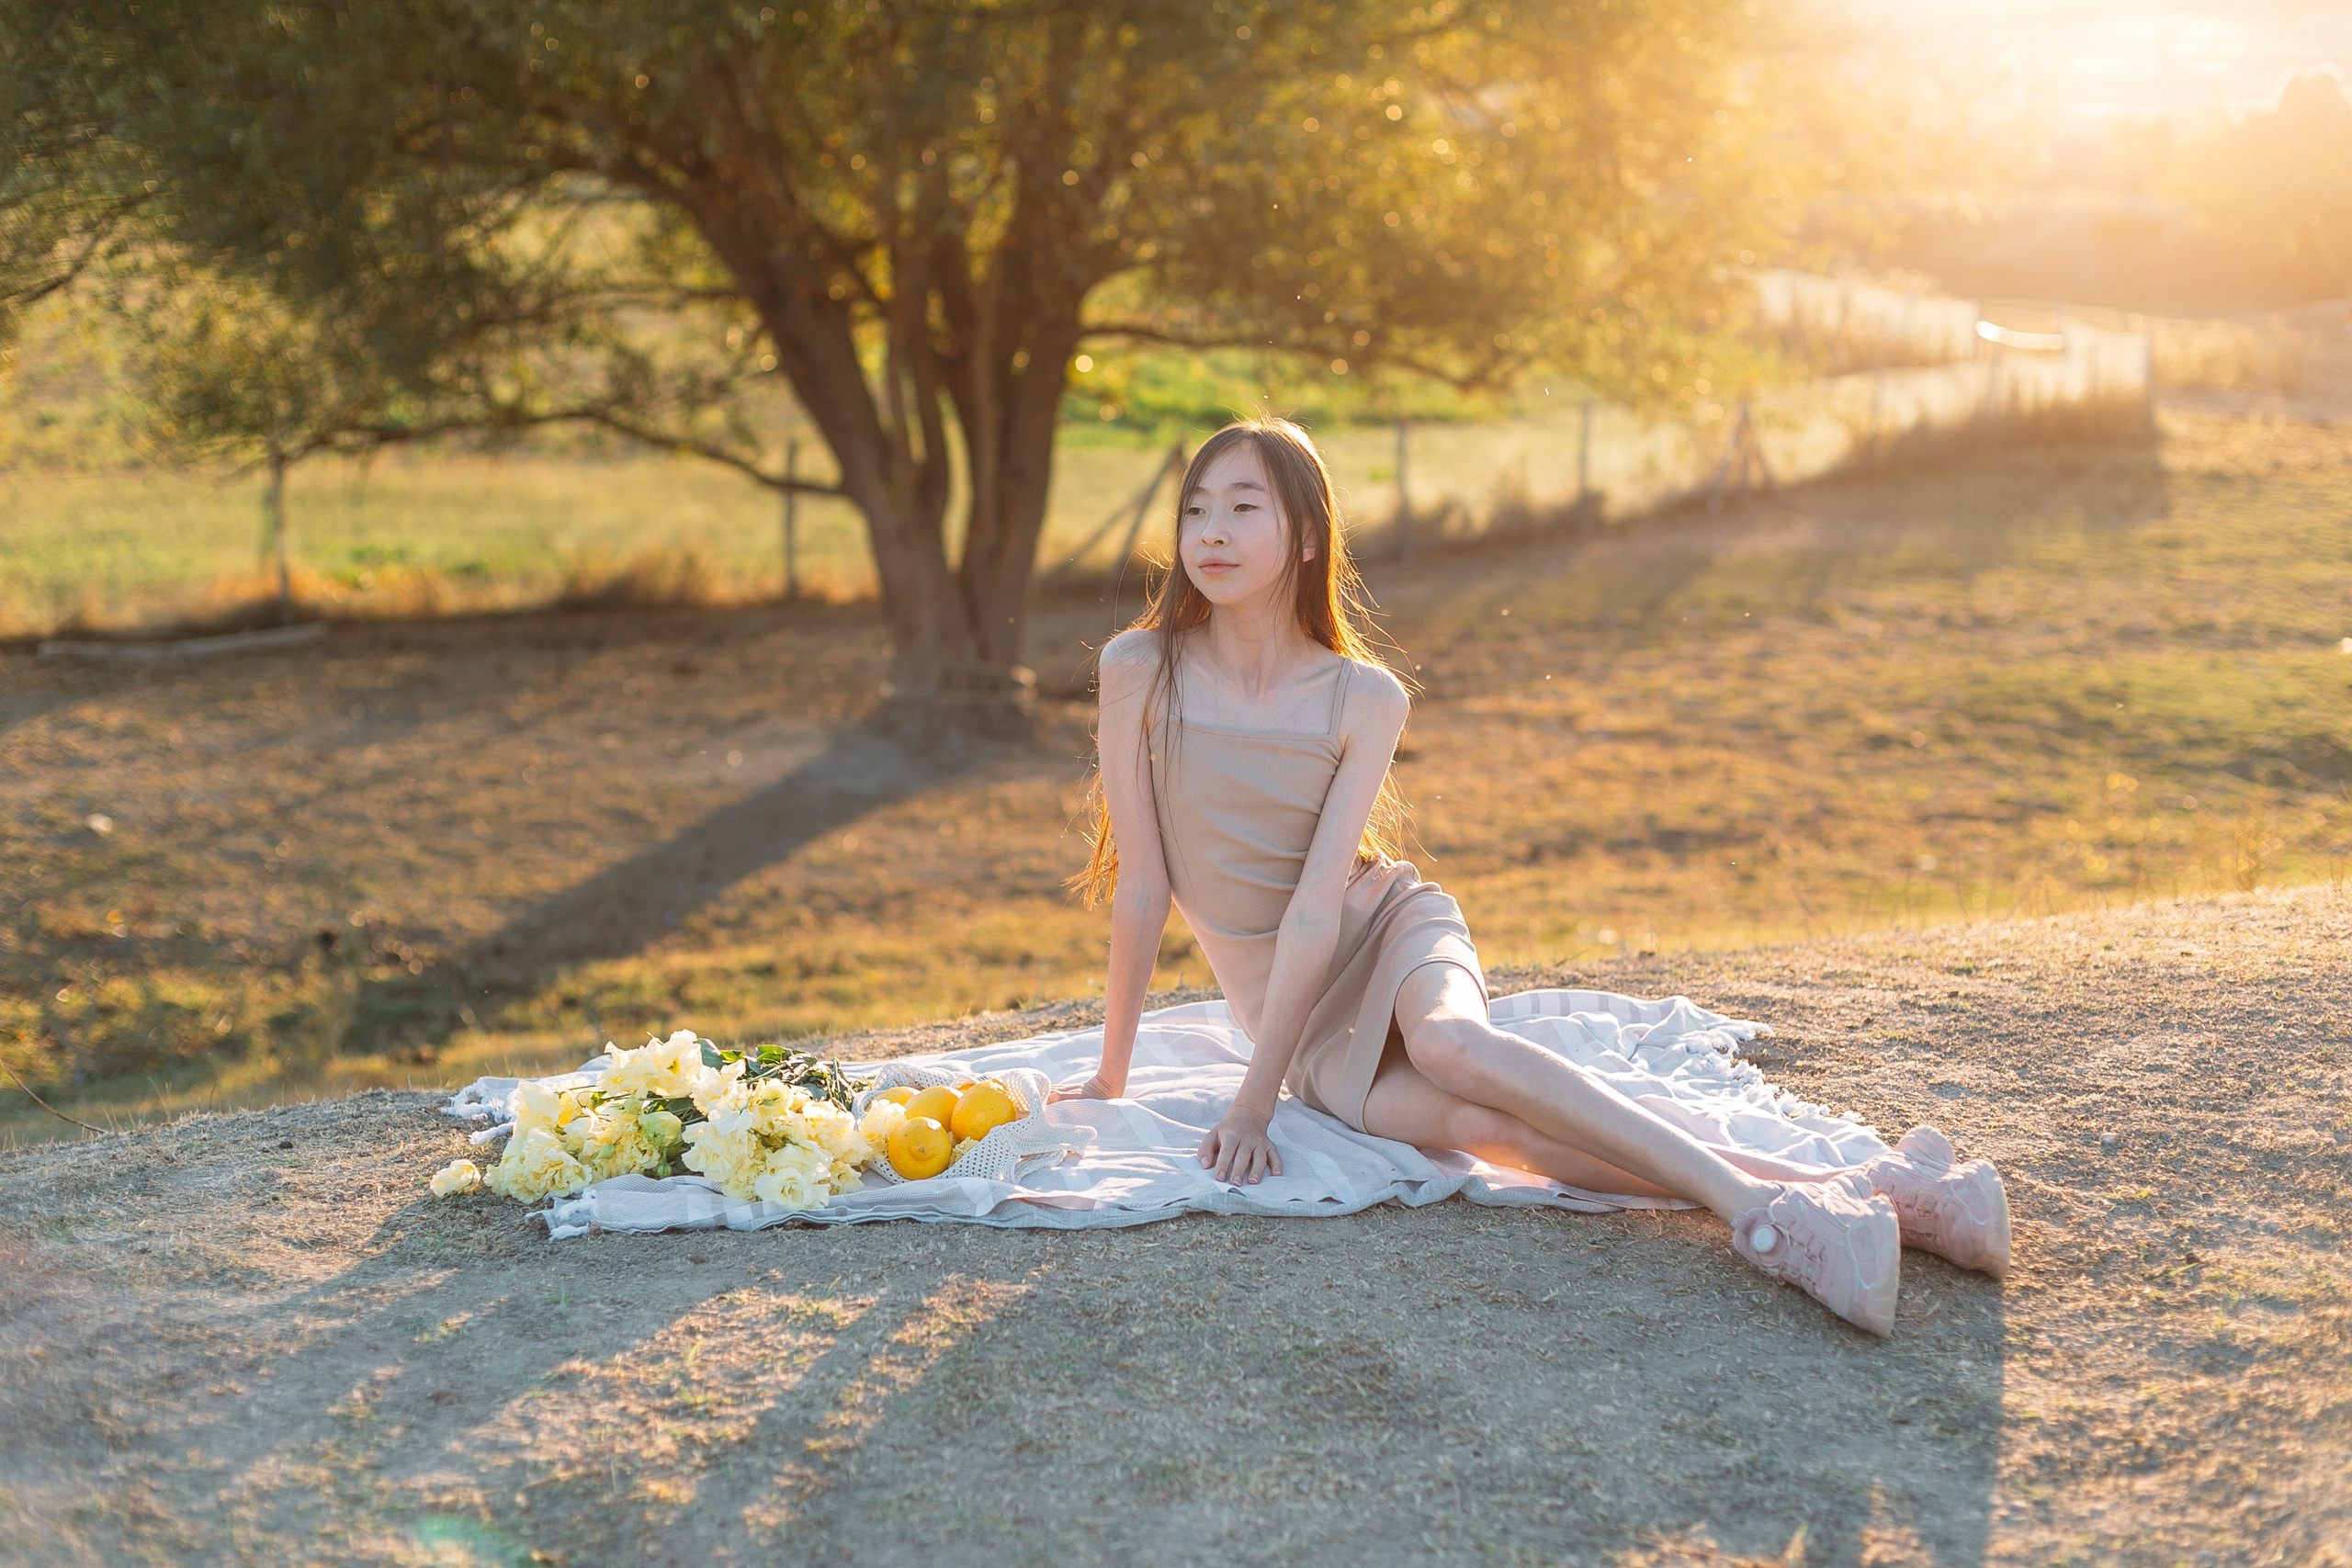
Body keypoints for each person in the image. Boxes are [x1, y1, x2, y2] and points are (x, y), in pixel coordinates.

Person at [1050, 418, 2007, 1335]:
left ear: (1306, 538)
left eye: (1242, 507)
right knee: (1488, 1129)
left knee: (1454, 1051)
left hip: (1384, 930)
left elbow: (1314, 912)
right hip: (1291, 1019)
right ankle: (1898, 1199)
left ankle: (1765, 1216)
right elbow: (1141, 887)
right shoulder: (1142, 667)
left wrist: (1251, 1106)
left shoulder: (1364, 696)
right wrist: (1111, 1072)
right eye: (1194, 509)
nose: (1210, 532)